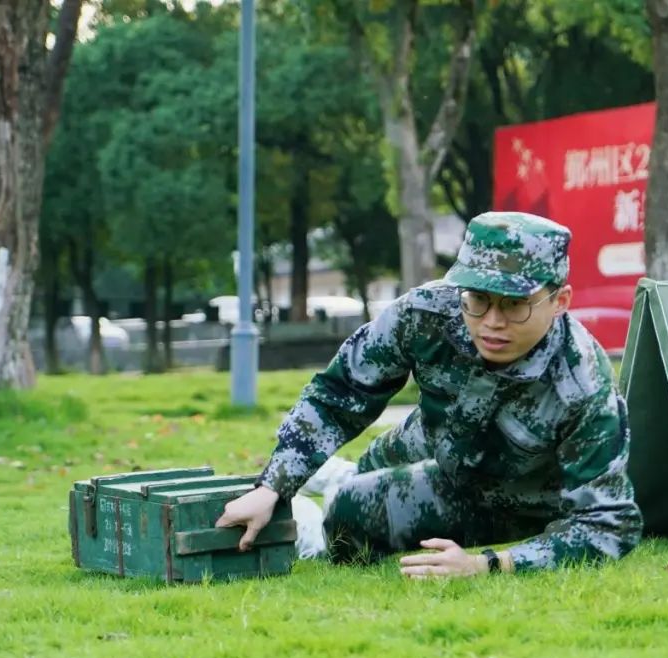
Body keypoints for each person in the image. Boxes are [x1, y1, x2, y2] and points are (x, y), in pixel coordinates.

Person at [215, 211, 643, 577]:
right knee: (361, 474)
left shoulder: (582, 383)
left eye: (515, 305)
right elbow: (341, 391)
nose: (492, 322)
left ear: (560, 300)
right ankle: (333, 476)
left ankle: (318, 517)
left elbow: (609, 524)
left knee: (348, 515)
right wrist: (272, 486)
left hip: (511, 501)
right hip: (427, 443)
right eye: (478, 299)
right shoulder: (426, 312)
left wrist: (489, 564)